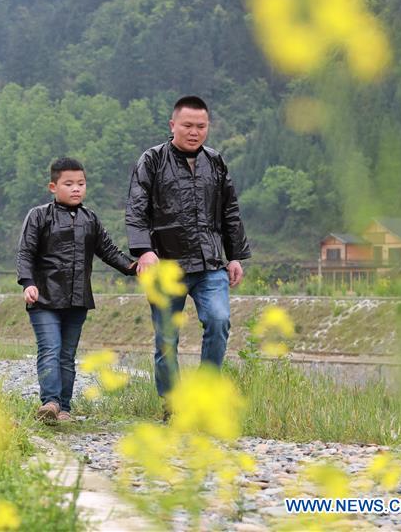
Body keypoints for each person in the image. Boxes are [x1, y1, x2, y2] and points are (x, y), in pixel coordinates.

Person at [125, 96, 251, 403]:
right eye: (187, 125)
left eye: (201, 126)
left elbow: (230, 211)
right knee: (167, 339)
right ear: (173, 125)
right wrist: (144, 250)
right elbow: (136, 208)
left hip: (210, 264)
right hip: (166, 266)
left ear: (208, 127)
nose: (194, 132)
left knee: (219, 321)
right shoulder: (152, 160)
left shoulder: (216, 161)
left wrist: (235, 256)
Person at [17, 157, 137, 422]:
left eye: (81, 183)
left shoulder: (90, 219)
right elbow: (26, 253)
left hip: (77, 299)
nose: (76, 189)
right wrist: (28, 283)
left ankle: (65, 409)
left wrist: (133, 267)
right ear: (53, 186)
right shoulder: (39, 216)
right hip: (44, 298)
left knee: (67, 355)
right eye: (68, 183)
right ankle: (50, 402)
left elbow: (108, 250)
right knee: (50, 348)